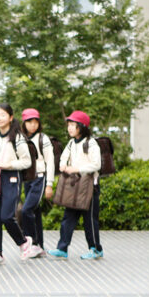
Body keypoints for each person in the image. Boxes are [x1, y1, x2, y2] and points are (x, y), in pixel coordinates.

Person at [48, 110, 103, 260]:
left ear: (82, 126)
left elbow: (96, 164)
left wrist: (77, 169)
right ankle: (62, 248)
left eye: (73, 125)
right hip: (75, 186)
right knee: (68, 218)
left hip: (90, 187)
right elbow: (64, 156)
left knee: (90, 220)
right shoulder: (72, 143)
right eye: (69, 125)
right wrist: (62, 165)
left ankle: (96, 249)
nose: (70, 128)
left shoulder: (91, 143)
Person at [0, 103, 34, 265]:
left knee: (6, 216)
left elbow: (26, 162)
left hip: (11, 177)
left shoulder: (17, 137)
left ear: (11, 118)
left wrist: (8, 165)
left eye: (3, 115)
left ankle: (23, 242)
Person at [20, 108, 54, 256]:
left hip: (40, 178)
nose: (33, 125)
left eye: (35, 122)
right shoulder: (20, 138)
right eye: (29, 122)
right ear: (24, 123)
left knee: (26, 210)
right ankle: (39, 245)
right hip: (27, 180)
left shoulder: (43, 139)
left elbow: (50, 162)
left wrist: (49, 184)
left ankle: (32, 242)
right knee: (35, 212)